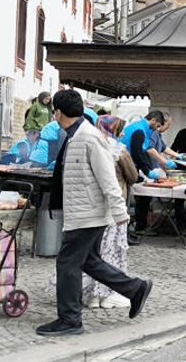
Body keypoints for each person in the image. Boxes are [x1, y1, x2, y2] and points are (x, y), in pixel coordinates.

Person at [36, 90, 152, 336]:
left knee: (67, 263)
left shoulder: (89, 137)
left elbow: (107, 177)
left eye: (54, 111)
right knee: (89, 261)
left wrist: (120, 214)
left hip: (88, 214)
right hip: (82, 212)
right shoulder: (76, 135)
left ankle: (70, 320)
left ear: (58, 112)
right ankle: (135, 288)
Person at [80, 115, 139, 309]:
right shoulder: (119, 150)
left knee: (92, 252)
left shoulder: (89, 145)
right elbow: (132, 176)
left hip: (92, 205)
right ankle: (107, 295)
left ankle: (90, 295)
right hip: (114, 207)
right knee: (111, 250)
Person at [120, 111, 166, 234]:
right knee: (125, 201)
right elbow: (137, 154)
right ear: (153, 120)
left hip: (127, 165)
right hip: (124, 167)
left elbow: (141, 153)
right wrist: (147, 172)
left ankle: (129, 231)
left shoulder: (139, 127)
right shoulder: (140, 131)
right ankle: (127, 231)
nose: (156, 129)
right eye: (157, 126)